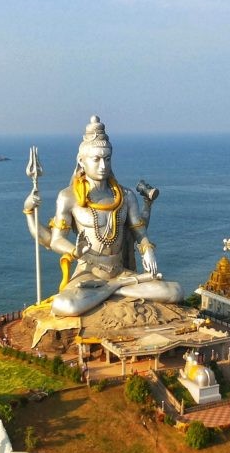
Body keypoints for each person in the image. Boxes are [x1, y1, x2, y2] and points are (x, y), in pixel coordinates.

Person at [24, 116, 183, 317]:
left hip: (120, 271)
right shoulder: (69, 197)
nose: (103, 166)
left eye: (107, 159)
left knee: (174, 291)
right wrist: (75, 251)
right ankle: (116, 288)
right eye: (96, 159)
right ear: (81, 160)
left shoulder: (125, 196)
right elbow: (56, 240)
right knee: (65, 305)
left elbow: (139, 231)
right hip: (89, 273)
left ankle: (113, 289)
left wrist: (147, 249)